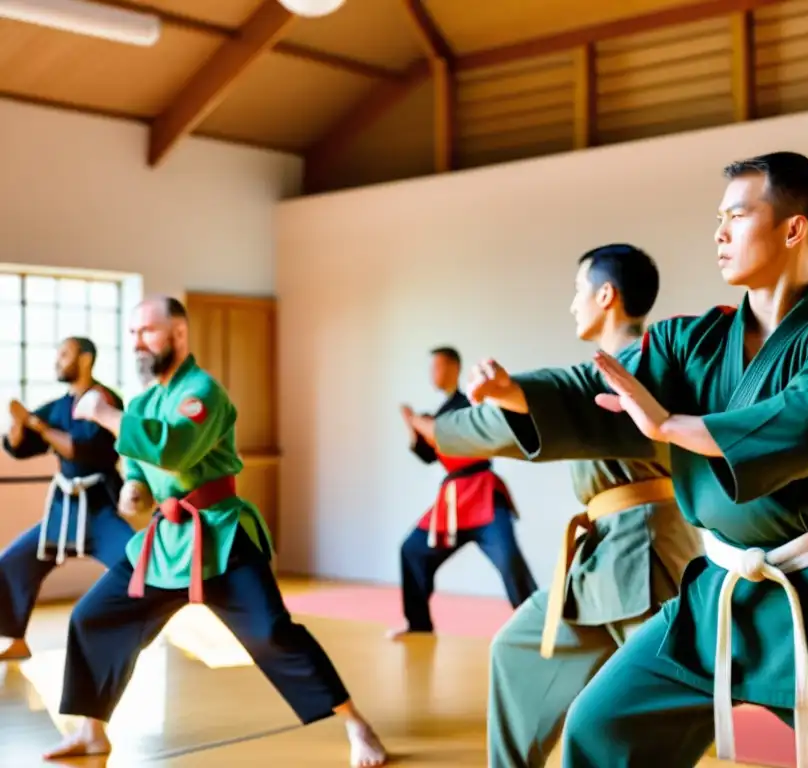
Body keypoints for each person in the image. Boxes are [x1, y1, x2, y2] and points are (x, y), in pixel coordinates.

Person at [460, 152, 808, 766]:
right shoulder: (689, 341)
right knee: (601, 729)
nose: (718, 233)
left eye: (736, 216)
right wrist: (518, 394)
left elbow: (803, 427)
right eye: (718, 218)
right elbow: (603, 388)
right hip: (718, 596)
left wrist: (674, 425)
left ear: (793, 228)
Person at [42, 297, 387, 767]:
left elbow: (175, 451)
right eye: (133, 333)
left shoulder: (203, 391)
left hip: (220, 534)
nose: (137, 342)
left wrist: (104, 414)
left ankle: (356, 724)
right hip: (165, 543)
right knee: (93, 617)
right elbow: (144, 463)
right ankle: (91, 731)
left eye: (148, 331)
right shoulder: (144, 401)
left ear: (179, 335)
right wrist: (135, 490)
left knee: (271, 633)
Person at [416, 244, 704, 766]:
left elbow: (566, 397)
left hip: (646, 553)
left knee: (665, 700)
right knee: (518, 649)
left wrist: (475, 412)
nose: (573, 304)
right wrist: (483, 411)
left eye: (578, 291)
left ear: (606, 295)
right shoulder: (610, 368)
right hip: (601, 556)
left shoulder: (647, 364)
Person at [387, 346, 536, 640]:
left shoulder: (467, 403)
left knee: (509, 560)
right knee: (413, 550)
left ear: (454, 368)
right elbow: (429, 454)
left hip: (482, 493)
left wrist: (417, 420)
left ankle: (536, 625)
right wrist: (413, 426)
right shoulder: (441, 411)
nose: (434, 373)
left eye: (439, 366)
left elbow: (440, 431)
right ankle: (418, 624)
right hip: (453, 500)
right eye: (431, 368)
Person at [0, 337, 133, 663]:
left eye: (64, 355)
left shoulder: (104, 400)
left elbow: (79, 448)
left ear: (85, 359)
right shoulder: (59, 405)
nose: (57, 361)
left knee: (133, 565)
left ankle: (127, 637)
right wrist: (19, 427)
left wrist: (36, 426)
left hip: (99, 506)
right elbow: (22, 445)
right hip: (64, 510)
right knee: (13, 562)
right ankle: (15, 638)